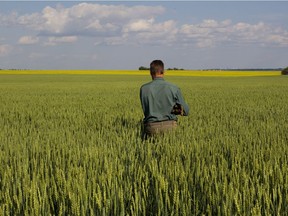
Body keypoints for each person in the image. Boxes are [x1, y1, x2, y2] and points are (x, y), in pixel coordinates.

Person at [140, 60, 189, 139]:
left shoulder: (144, 89)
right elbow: (185, 111)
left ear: (150, 73)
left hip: (151, 128)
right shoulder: (173, 88)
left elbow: (146, 109)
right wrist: (173, 109)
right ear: (163, 72)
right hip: (170, 127)